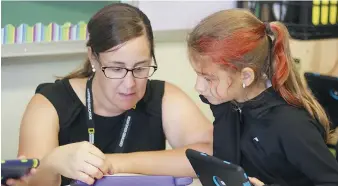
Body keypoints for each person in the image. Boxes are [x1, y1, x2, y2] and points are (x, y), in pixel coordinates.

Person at [17, 3, 212, 186]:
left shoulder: (163, 97)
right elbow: (25, 181)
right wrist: (52, 163)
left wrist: (112, 163)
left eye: (140, 68)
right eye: (116, 69)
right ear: (93, 57)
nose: (130, 84)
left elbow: (213, 155)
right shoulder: (49, 103)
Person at [186, 9, 338, 186]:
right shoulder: (229, 105)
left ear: (246, 77)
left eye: (208, 78)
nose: (198, 87)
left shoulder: (291, 125)